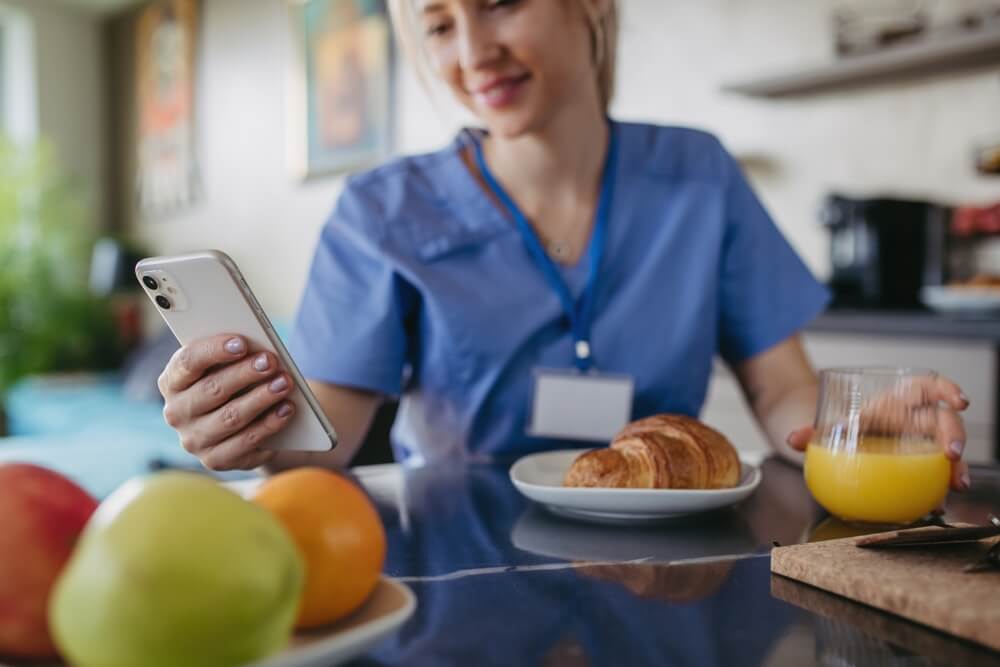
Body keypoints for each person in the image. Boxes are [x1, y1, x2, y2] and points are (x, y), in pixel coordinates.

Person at [156, 0, 971, 491]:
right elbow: (323, 441)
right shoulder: (383, 210)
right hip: (460, 578)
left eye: (501, 2)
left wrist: (852, 425)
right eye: (439, 25)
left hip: (669, 571)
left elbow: (783, 393)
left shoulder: (699, 175)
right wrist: (254, 432)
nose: (472, 54)